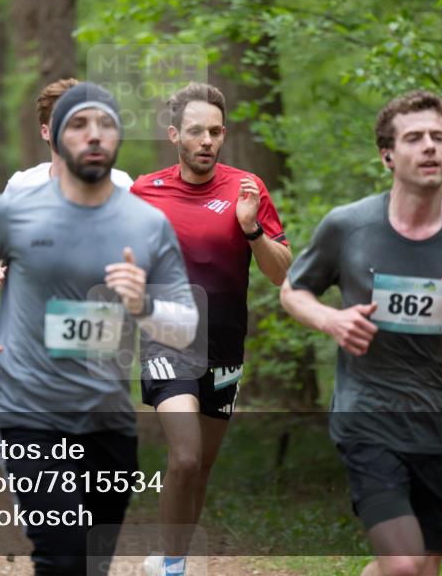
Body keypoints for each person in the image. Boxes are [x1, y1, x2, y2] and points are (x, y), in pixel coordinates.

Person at [0, 82, 198, 576]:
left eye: (105, 123)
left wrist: (143, 305)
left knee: (90, 565)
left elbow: (185, 326)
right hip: (28, 408)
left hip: (108, 415)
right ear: (56, 136)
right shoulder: (17, 207)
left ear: (119, 136)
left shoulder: (146, 222)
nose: (93, 134)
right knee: (60, 559)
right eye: (78, 124)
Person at [279, 90, 442, 576]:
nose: (431, 146)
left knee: (418, 570)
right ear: (388, 155)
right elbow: (292, 291)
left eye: (439, 137)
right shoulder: (348, 226)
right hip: (368, 418)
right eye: (415, 138)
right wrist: (332, 320)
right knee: (405, 564)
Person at [131, 83, 292, 576]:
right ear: (175, 134)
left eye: (215, 131)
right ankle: (173, 567)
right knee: (184, 457)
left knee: (200, 467)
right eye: (196, 131)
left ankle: (171, 557)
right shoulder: (144, 191)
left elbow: (282, 270)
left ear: (224, 136)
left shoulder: (248, 188)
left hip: (224, 344)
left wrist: (251, 229)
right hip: (166, 339)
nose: (207, 140)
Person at [0, 77, 133, 292]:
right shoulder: (21, 185)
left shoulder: (121, 184)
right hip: (36, 313)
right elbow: (0, 247)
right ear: (45, 131)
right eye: (62, 120)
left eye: (78, 122)